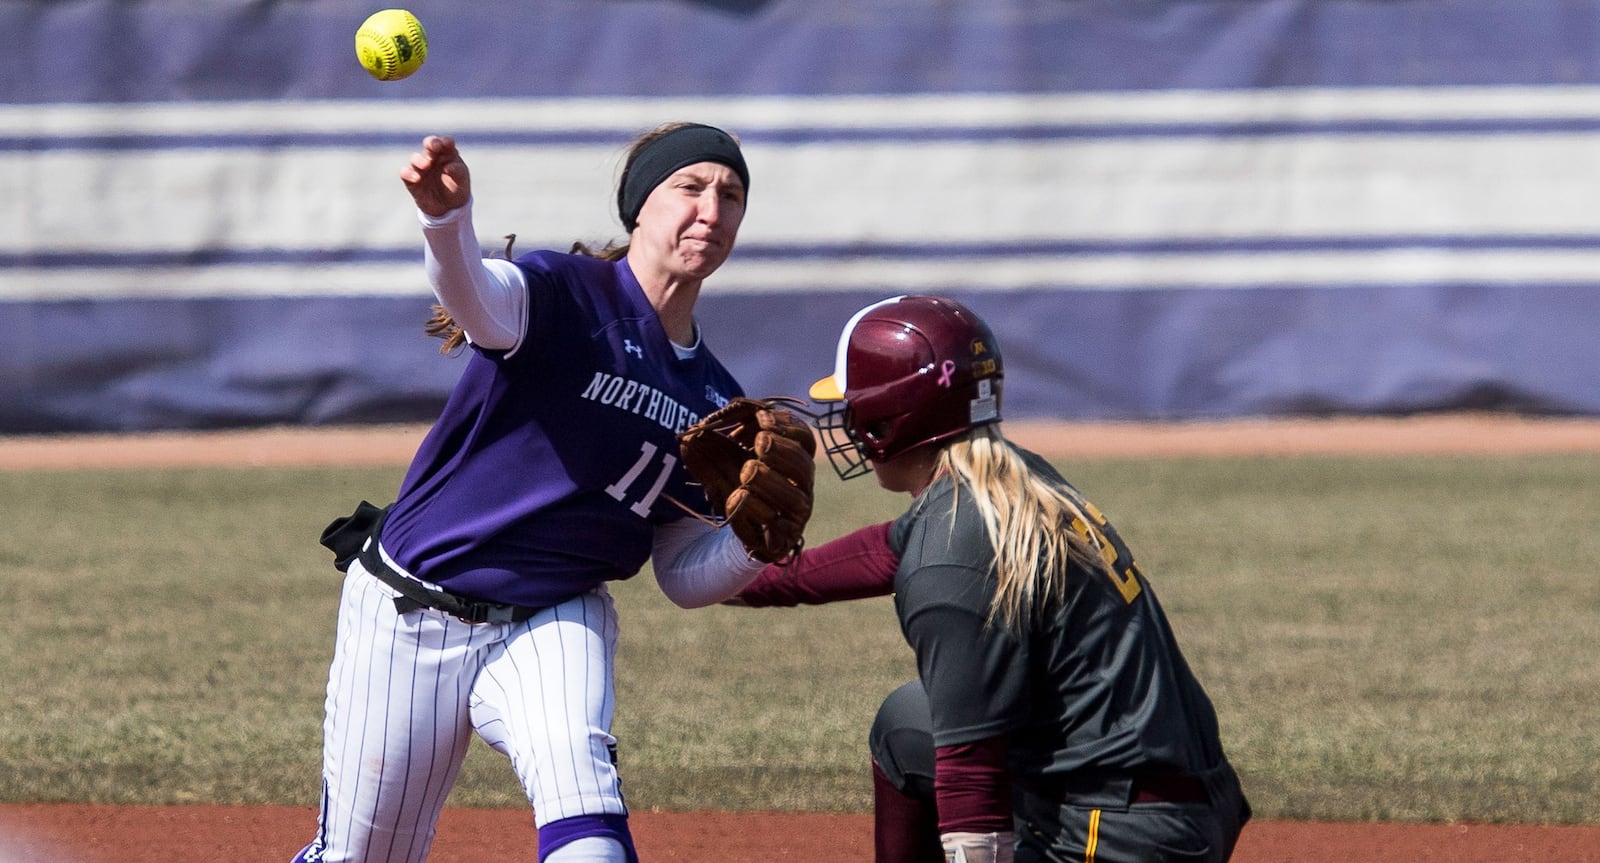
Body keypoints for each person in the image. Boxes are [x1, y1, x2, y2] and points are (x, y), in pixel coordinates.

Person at [294, 123, 777, 863]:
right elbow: (476, 298)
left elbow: (680, 571)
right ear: (640, 206)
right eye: (690, 186)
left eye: (731, 194)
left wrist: (752, 541)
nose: (712, 208)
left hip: (554, 617)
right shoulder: (569, 295)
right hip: (410, 608)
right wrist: (446, 221)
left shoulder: (717, 403)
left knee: (590, 830)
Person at [732, 295, 1251, 863]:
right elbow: (869, 556)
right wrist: (711, 572)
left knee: (957, 757)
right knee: (907, 724)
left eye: (854, 407)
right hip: (1180, 796)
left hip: (1122, 837)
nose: (846, 422)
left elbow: (969, 781)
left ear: (888, 420)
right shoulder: (1007, 479)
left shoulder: (951, 554)